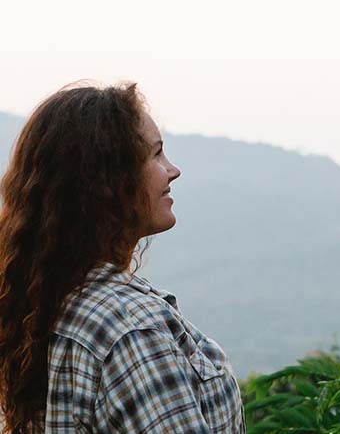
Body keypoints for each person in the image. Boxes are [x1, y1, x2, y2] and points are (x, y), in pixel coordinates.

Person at [0, 83, 245, 433]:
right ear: (108, 181)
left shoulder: (40, 307)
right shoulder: (130, 329)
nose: (173, 170)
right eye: (156, 155)